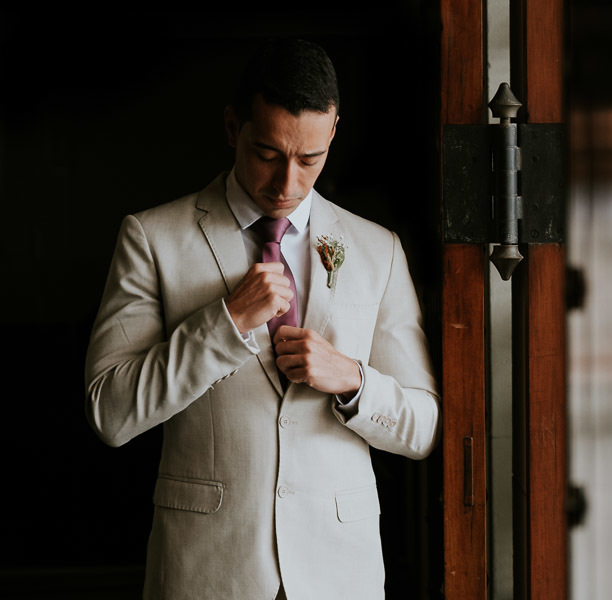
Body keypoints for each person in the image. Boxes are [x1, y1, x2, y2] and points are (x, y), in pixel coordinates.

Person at [84, 38, 441, 600]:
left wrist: (353, 380)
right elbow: (110, 410)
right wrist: (223, 325)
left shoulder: (378, 250)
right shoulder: (152, 239)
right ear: (233, 128)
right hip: (207, 572)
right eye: (268, 155)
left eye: (309, 160)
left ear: (333, 133)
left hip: (338, 576)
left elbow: (423, 427)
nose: (287, 184)